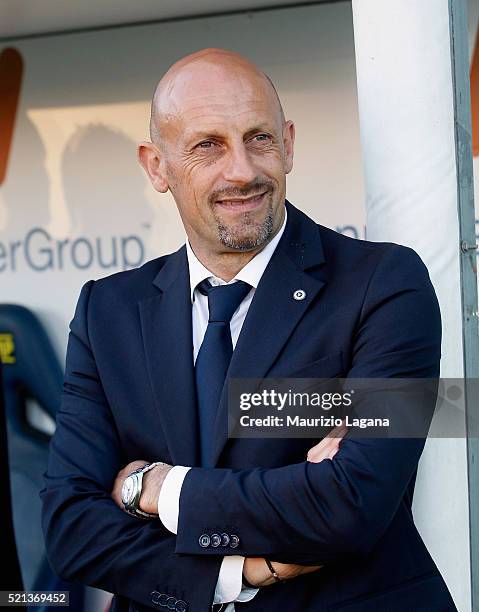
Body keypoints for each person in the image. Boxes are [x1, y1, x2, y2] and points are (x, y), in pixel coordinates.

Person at [40, 48, 457, 612]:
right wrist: (240, 572)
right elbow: (71, 527)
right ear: (156, 167)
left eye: (258, 138)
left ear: (288, 144)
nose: (242, 169)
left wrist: (155, 489)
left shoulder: (386, 284)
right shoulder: (107, 310)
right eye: (207, 145)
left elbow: (353, 502)